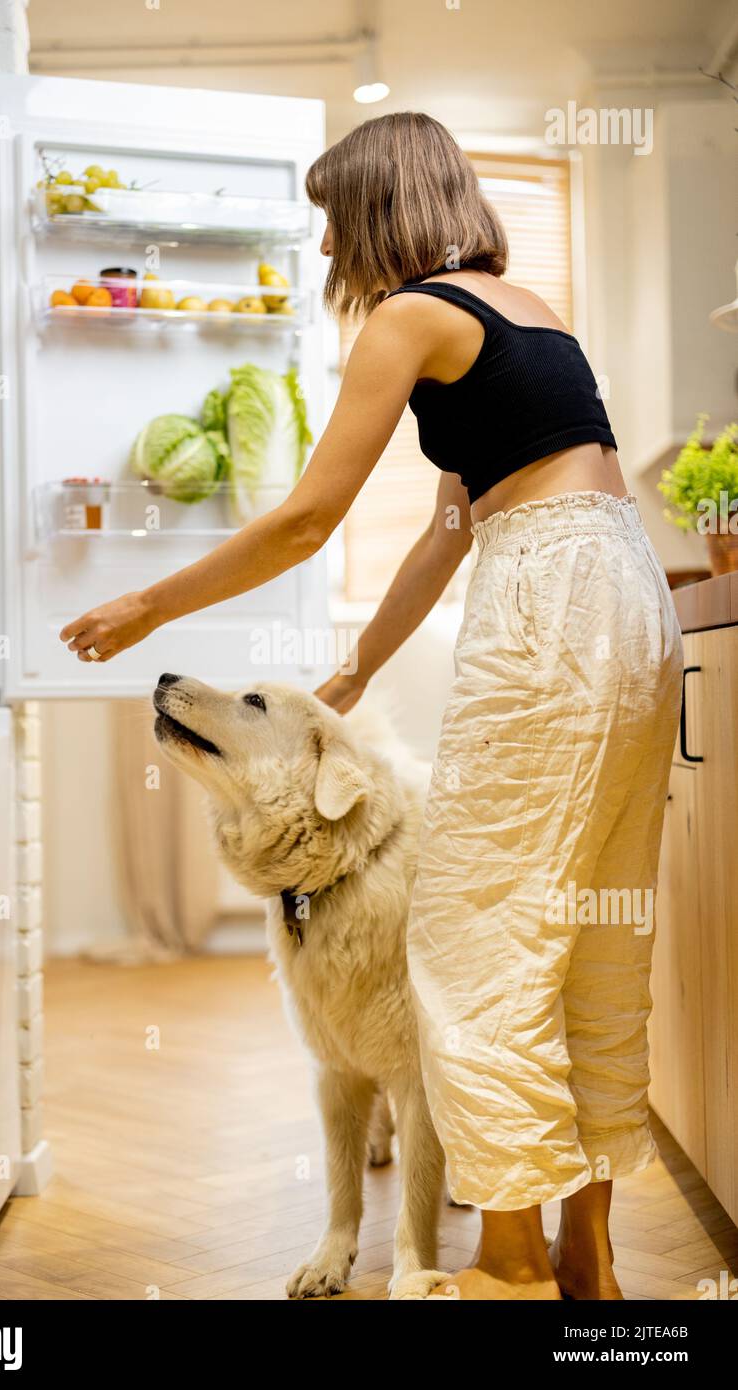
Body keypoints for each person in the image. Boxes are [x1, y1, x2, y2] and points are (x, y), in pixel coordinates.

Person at [60, 112, 683, 1301]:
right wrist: (354, 668)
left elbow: (308, 517)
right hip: (629, 595)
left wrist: (147, 604)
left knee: (471, 935)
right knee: (598, 936)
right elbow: (457, 518)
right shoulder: (526, 306)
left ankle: (503, 1264)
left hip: (551, 599)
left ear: (375, 211)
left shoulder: (408, 315)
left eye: (335, 220)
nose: (334, 249)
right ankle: (584, 1257)